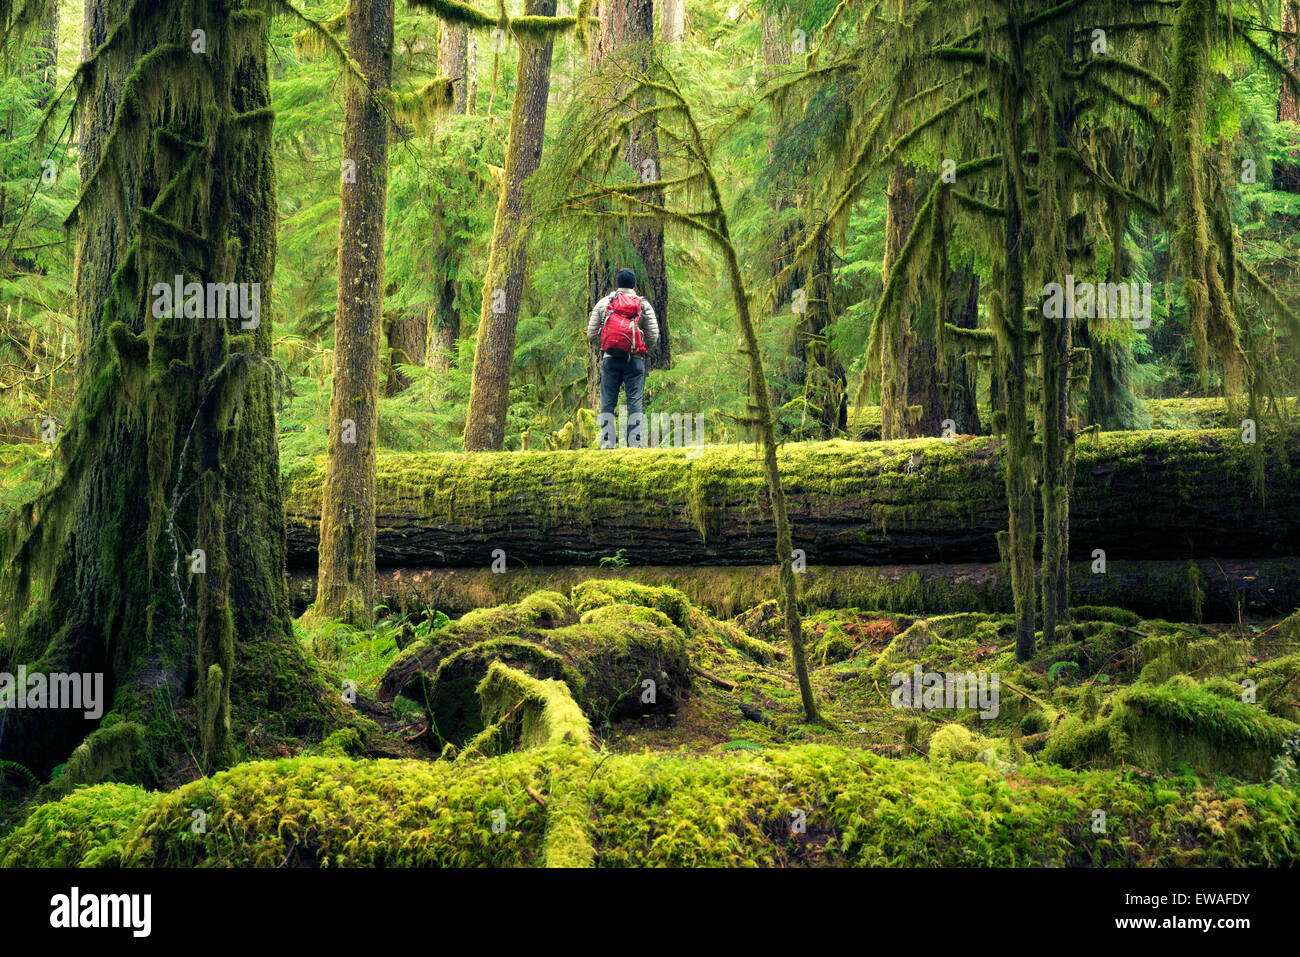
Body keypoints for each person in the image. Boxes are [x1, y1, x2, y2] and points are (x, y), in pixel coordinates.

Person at [588, 268, 660, 448]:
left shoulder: (604, 303)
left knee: (608, 402)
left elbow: (591, 334)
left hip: (610, 359)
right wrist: (641, 349)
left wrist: (606, 345)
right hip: (635, 360)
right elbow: (654, 335)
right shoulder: (643, 305)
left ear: (617, 283)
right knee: (635, 402)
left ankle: (607, 444)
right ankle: (634, 446)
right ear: (634, 284)